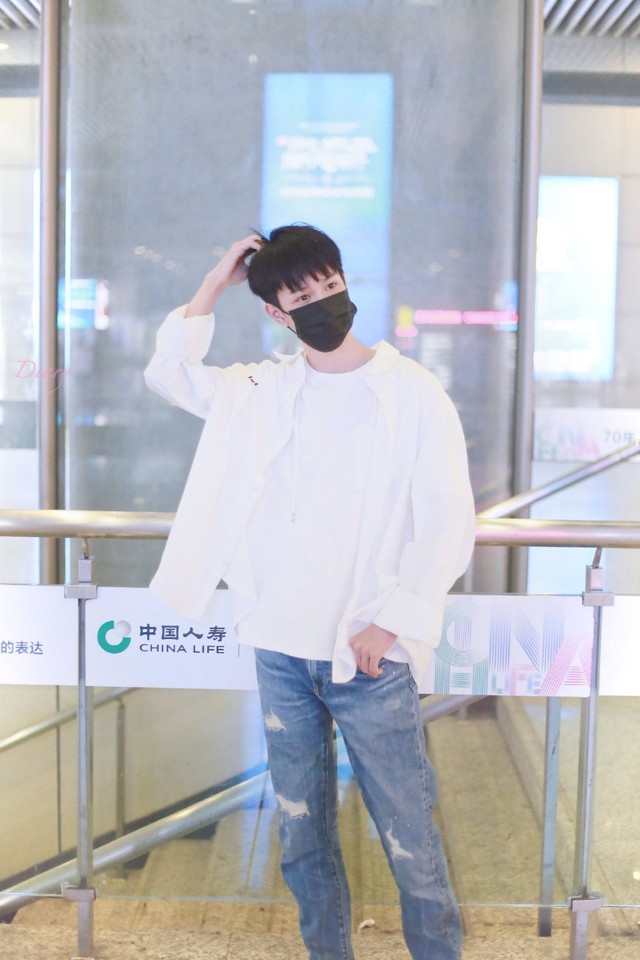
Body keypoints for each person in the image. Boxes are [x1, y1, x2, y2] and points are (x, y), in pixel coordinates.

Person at [144, 224, 476, 960]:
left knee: (411, 840)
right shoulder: (259, 390)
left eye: (331, 283)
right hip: (280, 648)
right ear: (276, 313)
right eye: (303, 294)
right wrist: (215, 281)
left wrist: (391, 623)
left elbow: (448, 519)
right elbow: (169, 373)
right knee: (302, 838)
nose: (325, 300)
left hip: (369, 654)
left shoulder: (413, 392)